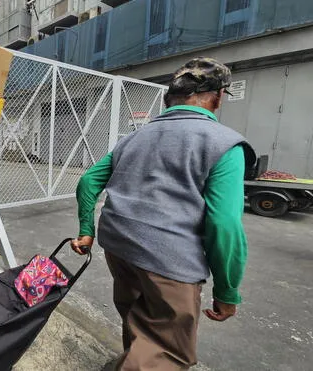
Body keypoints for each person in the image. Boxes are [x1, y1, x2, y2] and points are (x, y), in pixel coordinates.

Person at [71, 57, 256, 370]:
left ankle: (132, 359)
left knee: (135, 315)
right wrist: (227, 290)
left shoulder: (132, 138)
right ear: (218, 96)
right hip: (169, 260)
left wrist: (86, 230)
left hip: (119, 246)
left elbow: (89, 181)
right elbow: (223, 223)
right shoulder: (224, 144)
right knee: (169, 350)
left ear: (169, 97)